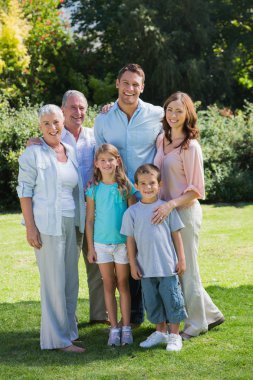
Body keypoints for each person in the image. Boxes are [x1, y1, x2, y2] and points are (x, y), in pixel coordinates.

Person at [28, 90, 107, 324]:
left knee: (96, 265)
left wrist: (110, 107)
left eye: (82, 107)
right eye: (73, 107)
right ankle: (65, 321)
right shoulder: (52, 139)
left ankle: (100, 316)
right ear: (62, 111)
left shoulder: (94, 136)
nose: (78, 112)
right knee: (65, 270)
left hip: (93, 211)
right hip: (66, 213)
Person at [94, 63, 164, 325]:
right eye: (126, 83)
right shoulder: (103, 118)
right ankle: (132, 318)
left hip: (146, 198)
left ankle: (161, 314)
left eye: (136, 84)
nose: (130, 89)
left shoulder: (157, 114)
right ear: (117, 84)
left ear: (142, 87)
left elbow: (180, 125)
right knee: (125, 251)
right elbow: (97, 156)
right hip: (115, 198)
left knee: (149, 253)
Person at [153, 91, 225, 340]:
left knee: (187, 270)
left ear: (188, 115)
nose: (173, 115)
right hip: (167, 213)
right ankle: (212, 313)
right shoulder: (161, 139)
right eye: (169, 110)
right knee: (179, 269)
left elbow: (196, 190)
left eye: (179, 111)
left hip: (184, 212)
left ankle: (196, 325)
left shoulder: (191, 147)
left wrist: (170, 204)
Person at [17, 105, 85, 352]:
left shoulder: (70, 151)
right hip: (47, 225)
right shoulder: (33, 154)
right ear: (39, 127)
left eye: (56, 122)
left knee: (70, 281)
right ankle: (57, 340)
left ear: (63, 122)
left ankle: (68, 333)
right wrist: (30, 228)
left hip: (71, 222)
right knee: (53, 282)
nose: (52, 127)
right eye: (46, 123)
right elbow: (24, 192)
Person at [121, 164, 187, 352]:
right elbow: (130, 241)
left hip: (167, 266)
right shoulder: (131, 213)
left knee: (172, 299)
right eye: (143, 183)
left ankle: (174, 335)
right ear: (136, 185)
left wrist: (181, 259)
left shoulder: (165, 209)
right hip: (146, 268)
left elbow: (176, 235)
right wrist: (133, 264)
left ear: (159, 184)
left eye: (152, 183)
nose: (148, 187)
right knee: (152, 301)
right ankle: (160, 332)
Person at [85, 144, 137, 346]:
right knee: (108, 284)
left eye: (111, 160)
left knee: (123, 284)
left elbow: (133, 219)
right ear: (97, 164)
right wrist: (91, 248)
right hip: (101, 245)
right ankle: (113, 328)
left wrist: (133, 248)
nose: (107, 164)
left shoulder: (126, 187)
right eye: (103, 160)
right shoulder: (93, 189)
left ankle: (126, 327)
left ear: (118, 161)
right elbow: (89, 220)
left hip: (123, 244)